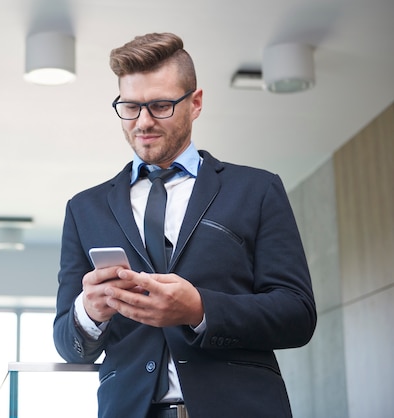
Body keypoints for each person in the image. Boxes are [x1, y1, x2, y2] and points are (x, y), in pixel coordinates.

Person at [53, 32, 317, 418]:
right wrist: (89, 312)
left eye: (160, 105)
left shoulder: (257, 189)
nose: (142, 122)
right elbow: (66, 341)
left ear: (195, 104)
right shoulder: (84, 209)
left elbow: (297, 315)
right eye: (129, 107)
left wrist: (199, 309)